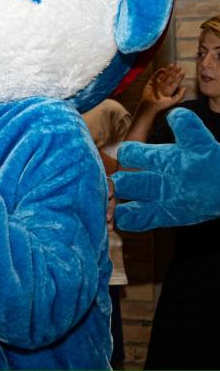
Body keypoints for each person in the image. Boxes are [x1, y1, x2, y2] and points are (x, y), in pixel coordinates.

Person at [122, 13, 220, 369]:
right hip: (190, 276)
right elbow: (131, 171)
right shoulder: (186, 118)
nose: (206, 63)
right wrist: (149, 109)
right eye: (202, 53)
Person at [81, 99, 132, 369]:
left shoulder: (108, 110)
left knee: (104, 354)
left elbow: (130, 174)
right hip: (50, 263)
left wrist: (93, 155)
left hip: (101, 262)